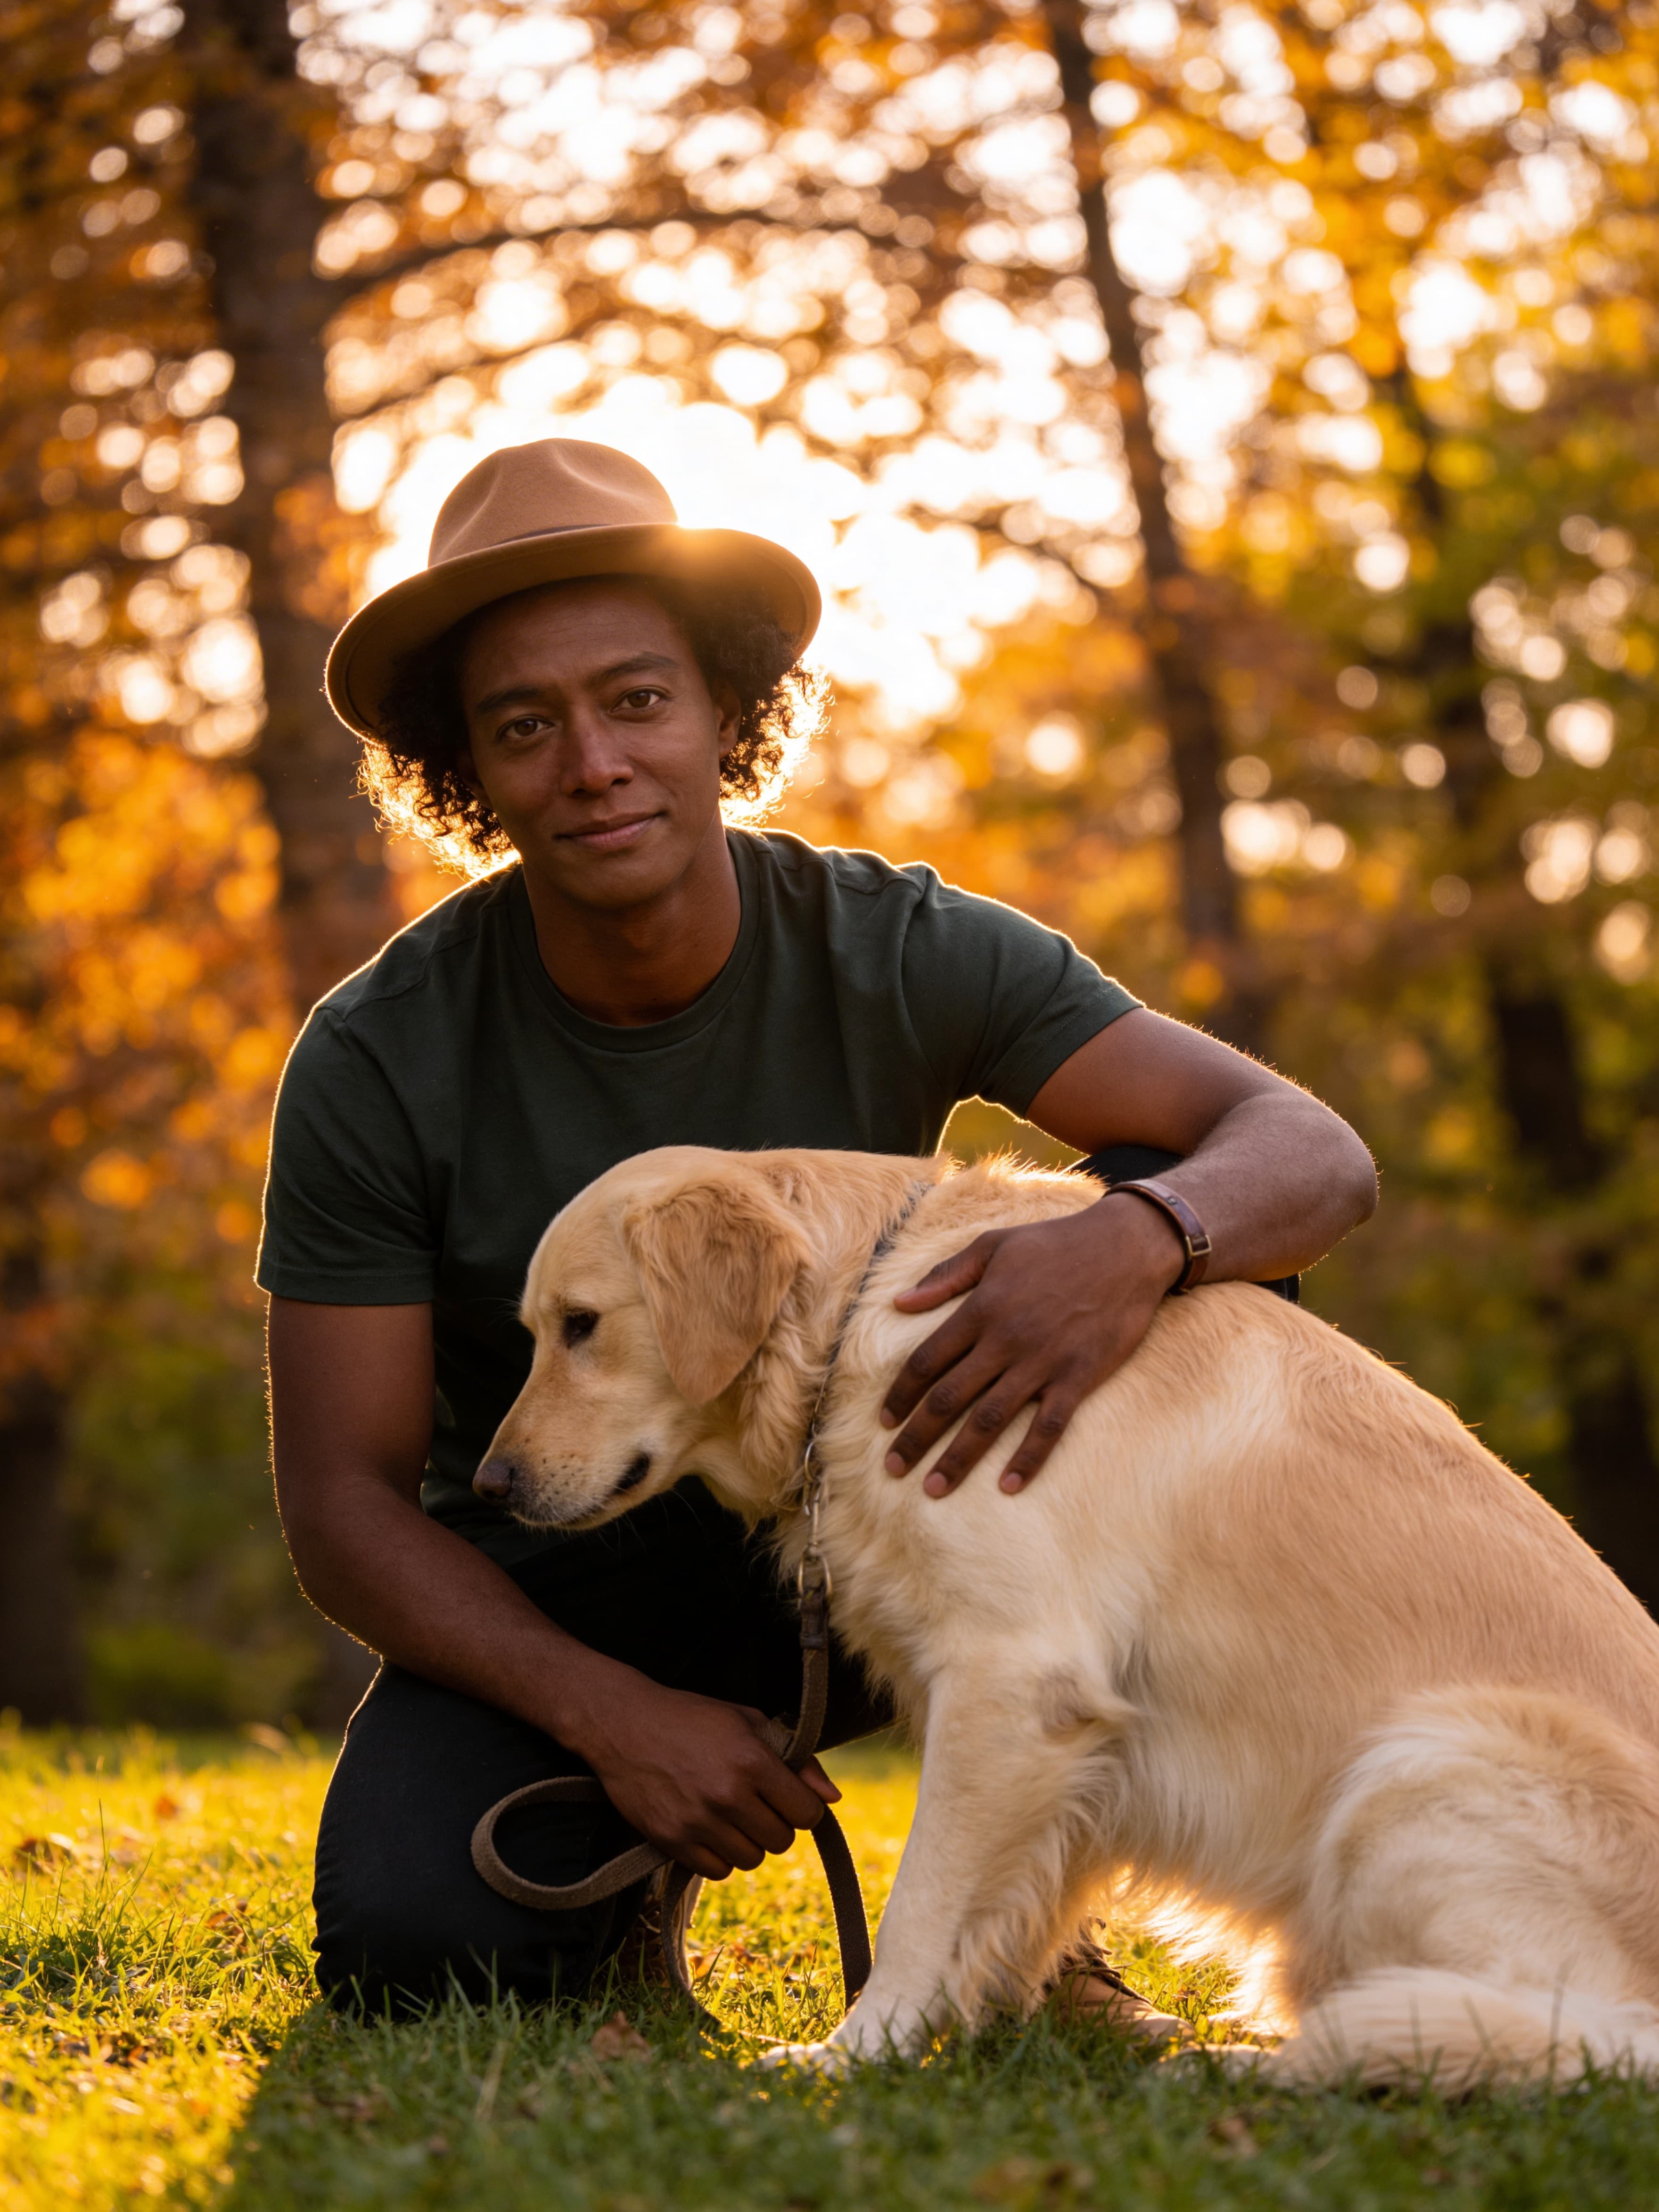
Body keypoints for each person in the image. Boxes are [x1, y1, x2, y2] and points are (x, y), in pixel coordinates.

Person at [262, 438, 1377, 2013]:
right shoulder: (379, 1054)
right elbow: (340, 1500)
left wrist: (1130, 1245)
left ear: (727, 709)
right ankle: (621, 1888)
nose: (593, 763)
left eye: (638, 700)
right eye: (527, 727)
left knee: (1155, 1172)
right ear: (470, 772)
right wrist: (608, 1715)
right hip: (561, 1575)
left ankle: (1039, 1895)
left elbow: (1307, 1155)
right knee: (413, 1948)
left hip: (907, 1490)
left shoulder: (901, 944)